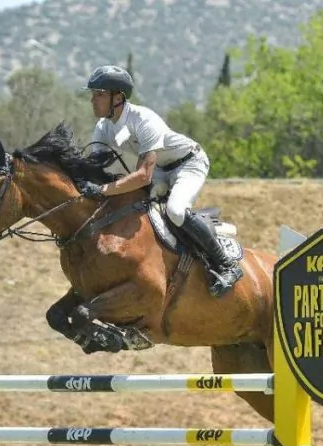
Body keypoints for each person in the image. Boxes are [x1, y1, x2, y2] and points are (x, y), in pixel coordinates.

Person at [77, 65, 243, 298]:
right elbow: (92, 165)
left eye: (99, 94)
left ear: (118, 97)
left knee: (175, 211)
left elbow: (143, 174)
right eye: (93, 94)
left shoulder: (143, 119)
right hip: (160, 170)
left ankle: (226, 265)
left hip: (188, 164)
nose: (93, 100)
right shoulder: (103, 127)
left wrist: (103, 189)